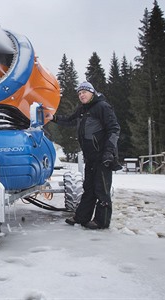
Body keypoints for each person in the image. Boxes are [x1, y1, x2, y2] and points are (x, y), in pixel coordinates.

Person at [50, 81, 121, 230]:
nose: (81, 95)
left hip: (103, 156)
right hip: (91, 157)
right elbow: (70, 120)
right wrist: (53, 118)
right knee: (88, 188)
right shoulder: (83, 110)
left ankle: (101, 222)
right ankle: (82, 217)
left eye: (84, 92)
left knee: (101, 190)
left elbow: (114, 129)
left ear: (92, 92)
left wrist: (108, 152)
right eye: (79, 93)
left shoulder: (102, 107)